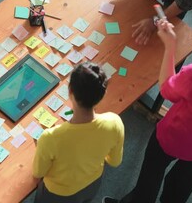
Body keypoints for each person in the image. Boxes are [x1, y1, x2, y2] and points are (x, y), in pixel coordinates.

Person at [103, 19, 192, 203]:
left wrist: (170, 46)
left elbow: (167, 89)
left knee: (149, 181)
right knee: (179, 189)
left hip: (174, 135)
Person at [32, 62, 125, 203]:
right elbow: (114, 161)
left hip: (57, 195)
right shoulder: (115, 122)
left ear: (70, 91)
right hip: (92, 184)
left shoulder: (50, 138)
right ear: (103, 94)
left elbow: (38, 173)